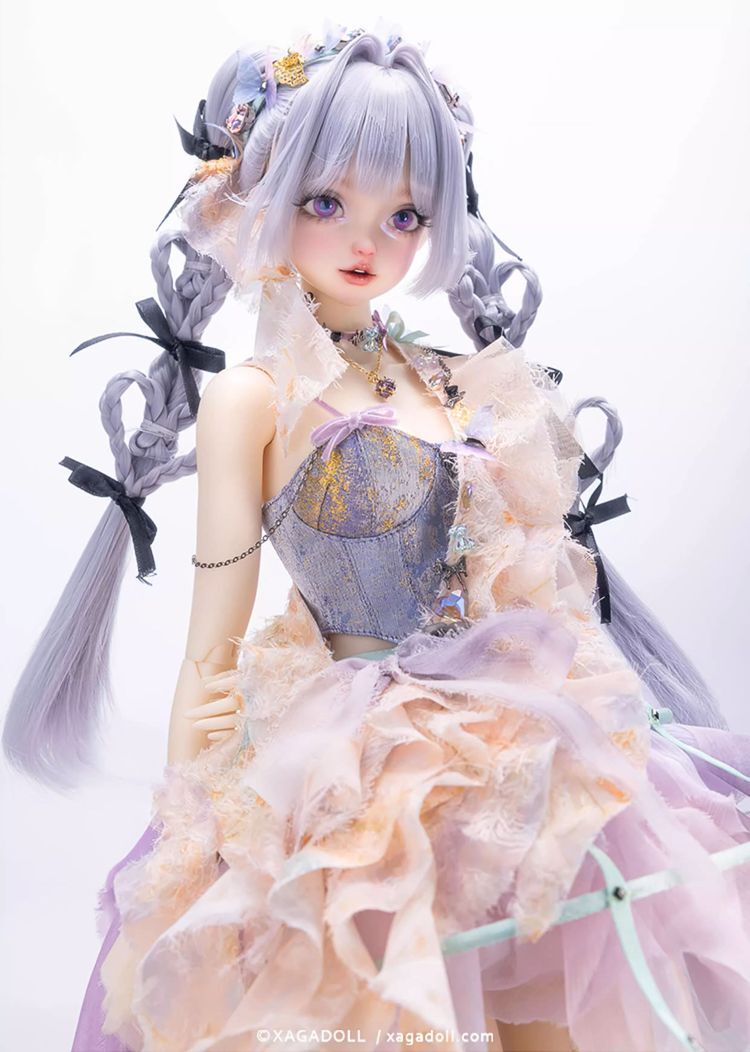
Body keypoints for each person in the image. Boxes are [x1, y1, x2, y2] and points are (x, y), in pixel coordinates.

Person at [4, 22, 750, 1052]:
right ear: (261, 196)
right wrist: (189, 836)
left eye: (404, 215)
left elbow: (528, 574)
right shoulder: (252, 399)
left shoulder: (453, 378)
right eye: (327, 202)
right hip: (350, 757)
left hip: (506, 737)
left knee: (548, 986)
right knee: (390, 1004)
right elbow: (211, 651)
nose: (368, 241)